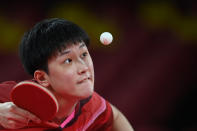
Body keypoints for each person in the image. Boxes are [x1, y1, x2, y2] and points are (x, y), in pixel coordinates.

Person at [0, 18, 134, 131]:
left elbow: (115, 116)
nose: (84, 67)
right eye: (68, 60)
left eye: (84, 54)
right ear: (42, 77)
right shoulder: (11, 97)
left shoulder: (91, 106)